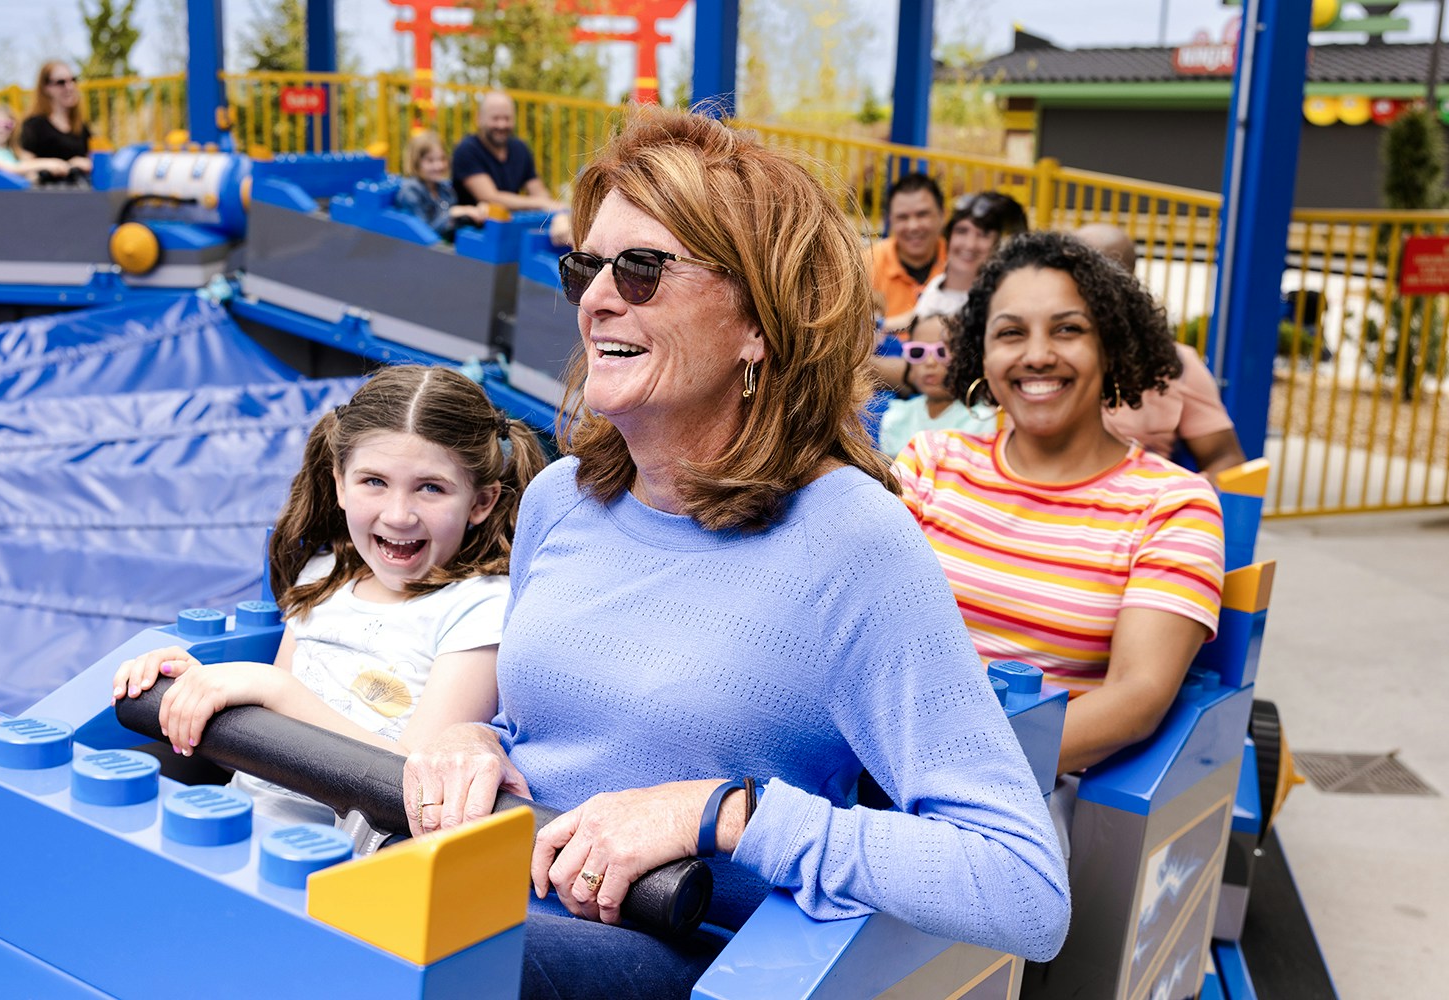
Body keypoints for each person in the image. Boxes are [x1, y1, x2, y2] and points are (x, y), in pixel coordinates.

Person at [405, 107, 1069, 1000]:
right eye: (584, 267)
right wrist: (470, 741)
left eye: (641, 270)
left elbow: (1025, 886)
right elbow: (563, 737)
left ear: (759, 323)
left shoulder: (851, 539)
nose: (596, 296)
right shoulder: (561, 501)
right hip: (496, 896)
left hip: (691, 954)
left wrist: (721, 814)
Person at [111, 365, 547, 825]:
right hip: (242, 821)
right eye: (374, 481)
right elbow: (258, 759)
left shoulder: (481, 608)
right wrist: (196, 693)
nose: (399, 515)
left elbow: (421, 781)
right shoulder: (323, 579)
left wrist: (272, 691)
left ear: (481, 502)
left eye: (431, 488)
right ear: (340, 483)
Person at [892, 231, 1226, 778]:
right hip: (877, 759)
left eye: (1068, 330)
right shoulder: (930, 462)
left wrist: (959, 767)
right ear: (983, 354)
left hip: (1031, 787)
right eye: (1011, 333)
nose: (1039, 355)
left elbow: (1136, 696)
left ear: (1111, 346)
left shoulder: (1171, 503)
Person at [1073, 222, 1247, 483]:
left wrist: (1177, 503)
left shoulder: (1175, 364)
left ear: (1125, 284)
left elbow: (1226, 460)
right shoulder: (1037, 358)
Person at [870, 190, 1028, 408]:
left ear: (1002, 245)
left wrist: (863, 364)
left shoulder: (998, 300)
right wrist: (875, 326)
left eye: (983, 235)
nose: (969, 244)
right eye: (962, 231)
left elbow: (936, 375)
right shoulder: (943, 282)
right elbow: (917, 318)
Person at [451, 91, 570, 243]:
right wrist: (541, 203)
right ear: (479, 119)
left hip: (511, 233)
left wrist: (557, 211)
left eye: (507, 118)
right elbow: (490, 197)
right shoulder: (467, 150)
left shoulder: (520, 149)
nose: (502, 125)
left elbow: (539, 192)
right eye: (495, 118)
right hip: (474, 237)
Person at [875, 313, 994, 454]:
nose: (930, 362)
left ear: (967, 357)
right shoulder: (897, 417)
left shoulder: (982, 420)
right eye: (918, 352)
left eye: (942, 351)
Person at [867, 172, 946, 333]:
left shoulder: (963, 265)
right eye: (903, 217)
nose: (913, 226)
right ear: (890, 221)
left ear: (942, 215)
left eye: (922, 214)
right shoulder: (866, 265)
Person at [394, 131, 489, 241]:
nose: (438, 166)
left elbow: (456, 224)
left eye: (442, 159)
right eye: (430, 161)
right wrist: (452, 213)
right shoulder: (411, 192)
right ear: (416, 162)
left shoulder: (445, 189)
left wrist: (476, 212)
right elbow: (423, 233)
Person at [19, 61, 93, 185]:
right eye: (61, 82)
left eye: (73, 80)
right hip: (48, 196)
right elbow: (23, 165)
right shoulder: (34, 125)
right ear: (46, 88)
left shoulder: (80, 125)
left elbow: (93, 159)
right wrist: (62, 165)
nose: (69, 87)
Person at [0, 103, 71, 181]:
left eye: (7, 125)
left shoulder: (9, 152)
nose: (0, 129)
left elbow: (20, 174)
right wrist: (48, 163)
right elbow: (12, 169)